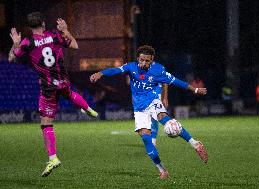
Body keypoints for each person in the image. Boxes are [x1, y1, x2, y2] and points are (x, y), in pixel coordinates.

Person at [90, 45, 208, 179]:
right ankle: (162, 170)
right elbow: (115, 70)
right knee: (146, 139)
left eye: (147, 61)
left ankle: (195, 144)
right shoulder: (131, 67)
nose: (144, 63)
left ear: (152, 60)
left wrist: (195, 90)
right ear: (138, 58)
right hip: (139, 109)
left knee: (167, 120)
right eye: (142, 60)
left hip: (153, 102)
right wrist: (100, 73)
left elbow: (176, 81)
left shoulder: (158, 70)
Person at [8, 12, 98, 177]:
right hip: (62, 80)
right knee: (69, 94)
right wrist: (66, 30)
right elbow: (75, 45)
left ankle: (53, 158)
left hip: (48, 87)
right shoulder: (55, 35)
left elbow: (12, 58)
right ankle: (89, 108)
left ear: (29, 27)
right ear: (43, 23)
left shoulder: (28, 42)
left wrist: (15, 43)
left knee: (46, 124)